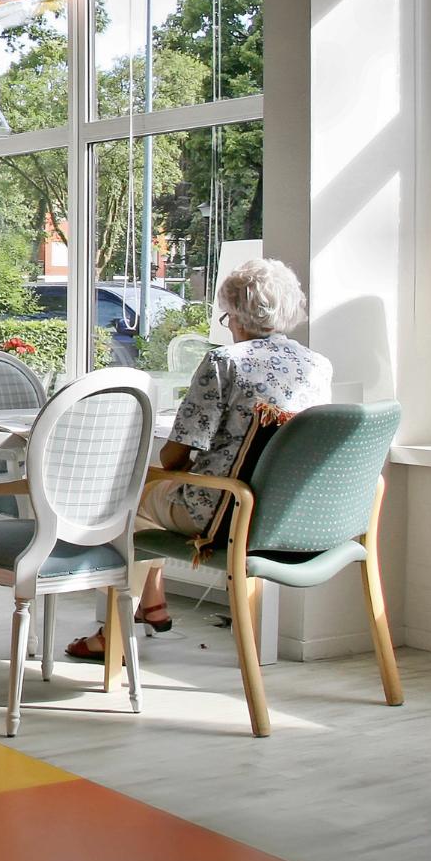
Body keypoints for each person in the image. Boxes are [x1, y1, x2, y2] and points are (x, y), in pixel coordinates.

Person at [66, 258, 333, 661]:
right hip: (286, 513)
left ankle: (112, 633)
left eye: (226, 317)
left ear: (237, 315)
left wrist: (181, 466)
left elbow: (175, 454)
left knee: (123, 497)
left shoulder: (226, 362)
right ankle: (152, 602)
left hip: (223, 513)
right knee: (145, 501)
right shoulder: (317, 366)